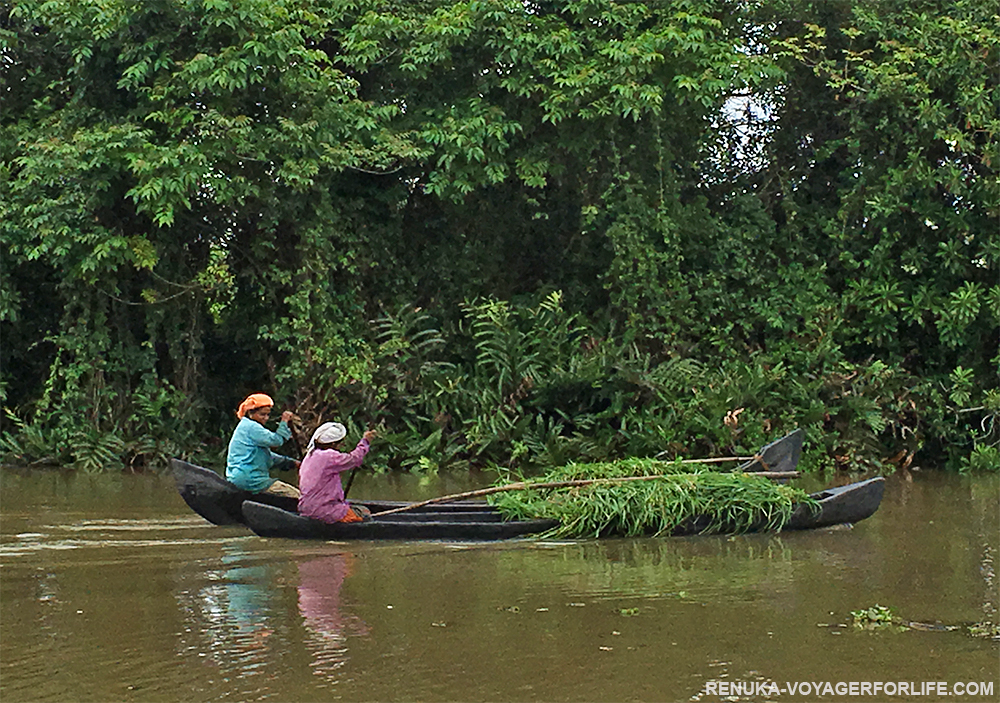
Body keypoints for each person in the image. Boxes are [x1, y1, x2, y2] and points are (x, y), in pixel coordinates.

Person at [298, 422, 377, 523]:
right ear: (333, 444)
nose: (341, 446)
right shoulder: (328, 456)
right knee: (364, 514)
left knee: (357, 510)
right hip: (324, 510)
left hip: (306, 508)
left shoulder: (309, 456)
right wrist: (365, 441)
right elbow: (354, 459)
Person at [226, 393, 301, 498]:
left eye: (267, 415)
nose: (266, 418)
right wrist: (284, 422)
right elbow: (277, 441)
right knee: (297, 496)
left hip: (237, 478)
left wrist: (292, 463)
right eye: (262, 414)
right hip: (251, 480)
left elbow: (267, 456)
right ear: (250, 413)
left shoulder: (245, 427)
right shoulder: (252, 427)